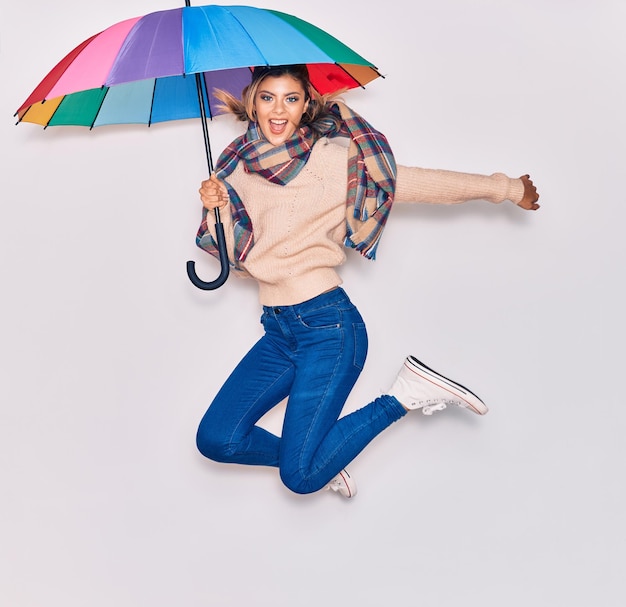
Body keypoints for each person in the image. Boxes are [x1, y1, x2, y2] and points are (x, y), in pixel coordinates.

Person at [194, 64, 540, 498]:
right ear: (252, 103)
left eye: (291, 98)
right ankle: (325, 456)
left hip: (328, 327)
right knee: (217, 438)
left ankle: (403, 396)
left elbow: (414, 184)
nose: (278, 110)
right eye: (267, 98)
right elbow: (237, 259)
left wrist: (506, 188)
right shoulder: (233, 167)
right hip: (278, 330)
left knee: (298, 479)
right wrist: (216, 206)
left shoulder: (330, 159)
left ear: (306, 106)